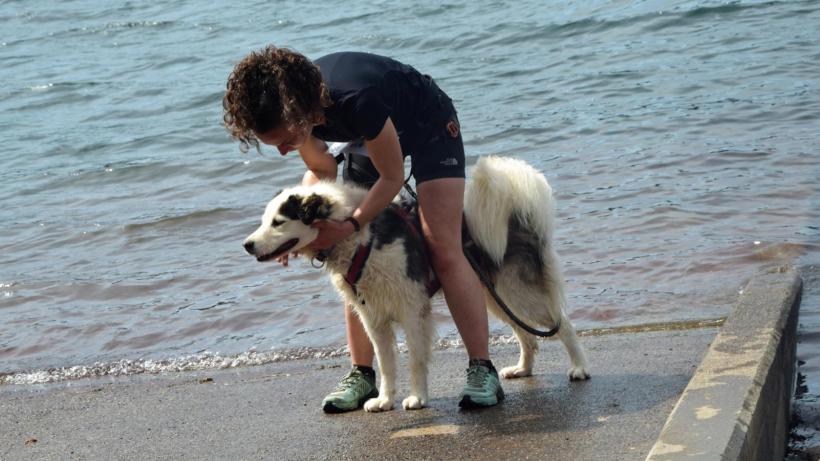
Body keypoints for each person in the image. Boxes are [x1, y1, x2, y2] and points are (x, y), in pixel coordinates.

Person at [223, 46, 503, 411]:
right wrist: (295, 234)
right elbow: (323, 173)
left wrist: (351, 224)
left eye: (285, 142)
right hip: (365, 136)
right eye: (275, 146)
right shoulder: (293, 106)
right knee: (352, 262)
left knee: (442, 245)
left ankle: (482, 369)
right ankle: (362, 375)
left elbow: (391, 178)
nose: (283, 152)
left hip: (427, 121)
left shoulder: (357, 97)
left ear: (295, 114)